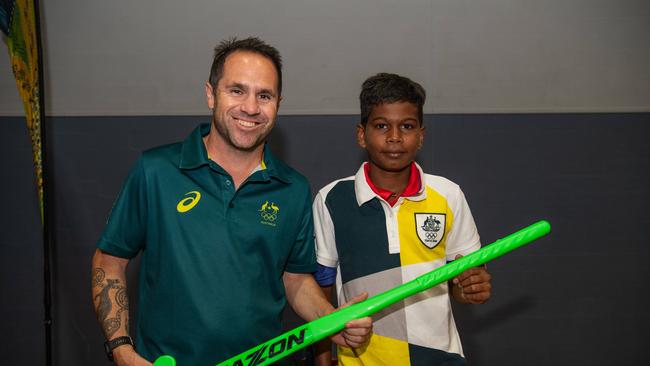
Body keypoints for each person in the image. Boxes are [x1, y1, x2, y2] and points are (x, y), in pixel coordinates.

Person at [91, 37, 372, 366]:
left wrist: (329, 319)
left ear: (278, 103)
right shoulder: (155, 171)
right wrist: (121, 349)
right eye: (237, 90)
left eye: (264, 95)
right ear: (211, 94)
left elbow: (295, 279)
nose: (251, 107)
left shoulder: (293, 188)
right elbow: (109, 261)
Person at [312, 73, 492, 365]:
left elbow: (463, 284)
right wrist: (321, 360)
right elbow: (321, 293)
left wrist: (472, 288)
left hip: (440, 358)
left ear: (421, 135)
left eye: (406, 126)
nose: (394, 137)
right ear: (361, 134)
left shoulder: (448, 194)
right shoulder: (331, 199)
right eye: (382, 125)